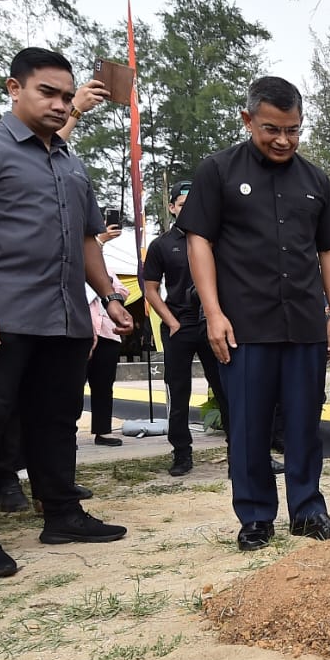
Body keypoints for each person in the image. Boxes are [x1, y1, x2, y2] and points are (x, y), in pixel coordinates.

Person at [0, 47, 133, 579]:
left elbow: (90, 242)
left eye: (67, 96)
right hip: (2, 314)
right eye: (48, 92)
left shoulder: (72, 162)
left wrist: (111, 298)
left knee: (57, 419)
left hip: (67, 317)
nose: (59, 104)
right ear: (13, 89)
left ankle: (63, 512)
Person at [178, 75, 330, 552]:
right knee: (250, 427)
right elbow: (199, 242)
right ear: (248, 119)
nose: (283, 140)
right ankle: (255, 516)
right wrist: (213, 312)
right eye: (272, 129)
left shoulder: (315, 179)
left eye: (293, 130)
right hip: (245, 324)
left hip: (303, 324)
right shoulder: (218, 171)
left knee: (303, 423)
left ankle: (308, 509)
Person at [143, 180, 229, 476]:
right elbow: (150, 289)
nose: (189, 210)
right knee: (178, 393)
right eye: (182, 205)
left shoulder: (215, 239)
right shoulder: (161, 245)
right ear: (172, 207)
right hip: (179, 326)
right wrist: (171, 321)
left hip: (212, 324)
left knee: (225, 388)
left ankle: (239, 451)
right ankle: (182, 453)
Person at [86, 273, 129, 447]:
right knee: (71, 386)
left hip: (107, 332)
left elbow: (123, 293)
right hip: (80, 330)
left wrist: (106, 283)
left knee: (104, 385)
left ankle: (103, 431)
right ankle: (67, 432)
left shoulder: (106, 270)